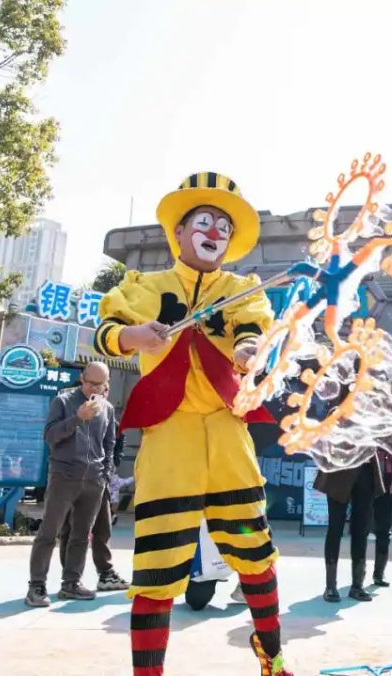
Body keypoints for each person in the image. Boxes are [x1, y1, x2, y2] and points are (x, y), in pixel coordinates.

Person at [93, 173, 292, 675]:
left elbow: (252, 332)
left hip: (228, 429)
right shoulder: (147, 287)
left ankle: (272, 659)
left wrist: (249, 352)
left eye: (224, 225)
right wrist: (133, 337)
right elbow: (105, 332)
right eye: (204, 221)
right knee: (157, 567)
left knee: (255, 551)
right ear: (179, 232)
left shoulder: (241, 290)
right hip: (169, 434)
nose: (215, 232)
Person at [26, 362, 116, 607]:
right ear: (82, 378)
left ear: (106, 384)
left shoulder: (107, 408)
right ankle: (36, 586)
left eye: (99, 384)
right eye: (89, 383)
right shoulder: (63, 401)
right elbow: (50, 436)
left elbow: (109, 443)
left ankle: (71, 583)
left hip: (94, 480)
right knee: (49, 533)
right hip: (64, 477)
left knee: (81, 535)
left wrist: (105, 473)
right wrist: (77, 418)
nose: (93, 388)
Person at [58, 383, 130, 592]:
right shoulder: (69, 413)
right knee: (71, 528)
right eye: (96, 388)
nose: (101, 393)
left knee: (102, 527)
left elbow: (116, 446)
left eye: (105, 390)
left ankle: (105, 573)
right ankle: (70, 577)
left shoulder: (110, 417)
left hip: (99, 480)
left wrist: (108, 469)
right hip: (71, 479)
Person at [315, 454, 385, 603]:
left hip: (365, 468)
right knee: (335, 528)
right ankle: (330, 586)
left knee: (362, 529)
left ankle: (357, 586)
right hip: (339, 468)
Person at [372, 434, 392, 587]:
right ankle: (358, 579)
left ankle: (379, 573)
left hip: (387, 494)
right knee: (361, 533)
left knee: (384, 534)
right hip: (370, 493)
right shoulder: (371, 445)